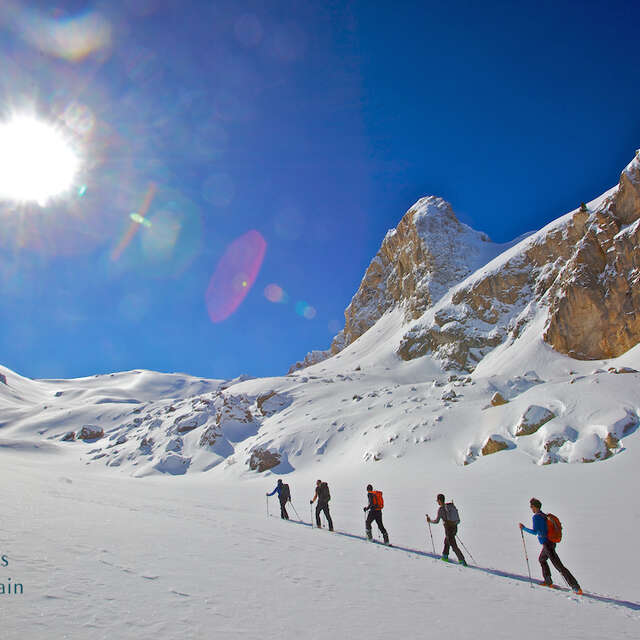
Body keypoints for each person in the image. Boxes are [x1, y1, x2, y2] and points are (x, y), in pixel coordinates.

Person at [519, 497, 582, 594]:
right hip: (550, 543)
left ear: (535, 507)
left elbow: (535, 532)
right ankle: (548, 581)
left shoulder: (536, 517)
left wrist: (523, 528)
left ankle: (575, 586)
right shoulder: (544, 515)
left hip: (547, 544)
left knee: (559, 566)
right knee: (542, 559)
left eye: (531, 506)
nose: (531, 508)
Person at [427, 494, 467, 566]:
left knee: (453, 545)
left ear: (439, 500)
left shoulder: (441, 510)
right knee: (447, 541)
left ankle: (462, 560)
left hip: (448, 529)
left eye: (437, 501)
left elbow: (437, 521)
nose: (437, 502)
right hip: (454, 527)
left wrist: (430, 521)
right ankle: (445, 556)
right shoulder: (449, 507)